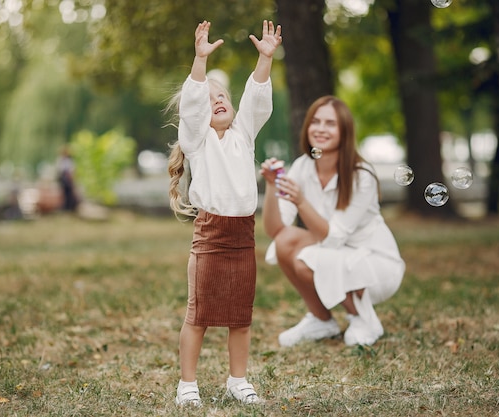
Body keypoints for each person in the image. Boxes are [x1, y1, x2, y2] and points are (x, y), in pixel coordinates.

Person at [166, 20, 282, 407]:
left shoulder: (243, 135)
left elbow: (256, 100)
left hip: (242, 238)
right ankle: (188, 385)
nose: (217, 99)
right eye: (210, 96)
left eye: (223, 95)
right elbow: (194, 105)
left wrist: (264, 60)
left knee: (240, 316)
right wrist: (200, 62)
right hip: (210, 236)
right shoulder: (197, 141)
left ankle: (238, 380)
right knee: (197, 315)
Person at [259, 96, 405, 348]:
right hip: (336, 254)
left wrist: (302, 202)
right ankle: (321, 319)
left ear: (344, 131)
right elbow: (275, 229)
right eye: (315, 121)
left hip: (374, 264)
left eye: (330, 123)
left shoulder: (362, 175)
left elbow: (336, 237)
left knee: (306, 261)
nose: (320, 129)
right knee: (285, 242)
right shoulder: (303, 166)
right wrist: (272, 186)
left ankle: (362, 319)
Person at [56, 146, 78, 212]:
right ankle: (65, 206)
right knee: (64, 193)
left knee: (69, 193)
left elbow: (72, 171)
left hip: (67, 179)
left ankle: (69, 206)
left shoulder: (69, 161)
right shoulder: (61, 160)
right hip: (64, 179)